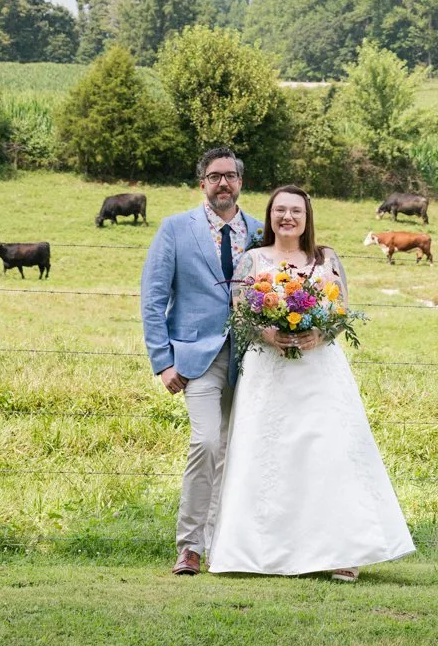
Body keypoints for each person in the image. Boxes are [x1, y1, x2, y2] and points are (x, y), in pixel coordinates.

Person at [208, 186, 415, 581]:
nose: (287, 217)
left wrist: (319, 334)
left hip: (319, 368)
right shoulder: (253, 259)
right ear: (270, 216)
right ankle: (266, 552)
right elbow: (240, 313)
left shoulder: (326, 258)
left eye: (296, 211)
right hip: (268, 370)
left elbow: (341, 311)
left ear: (307, 218)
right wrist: (267, 332)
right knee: (268, 455)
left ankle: (344, 552)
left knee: (329, 454)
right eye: (280, 210)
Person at [140, 146, 263, 576]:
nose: (222, 183)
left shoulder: (261, 232)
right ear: (202, 184)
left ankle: (223, 544)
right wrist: (163, 362)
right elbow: (153, 298)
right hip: (197, 358)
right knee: (206, 442)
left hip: (253, 358)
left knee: (235, 451)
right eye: (214, 176)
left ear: (240, 182)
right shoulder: (176, 229)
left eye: (230, 175)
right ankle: (190, 546)